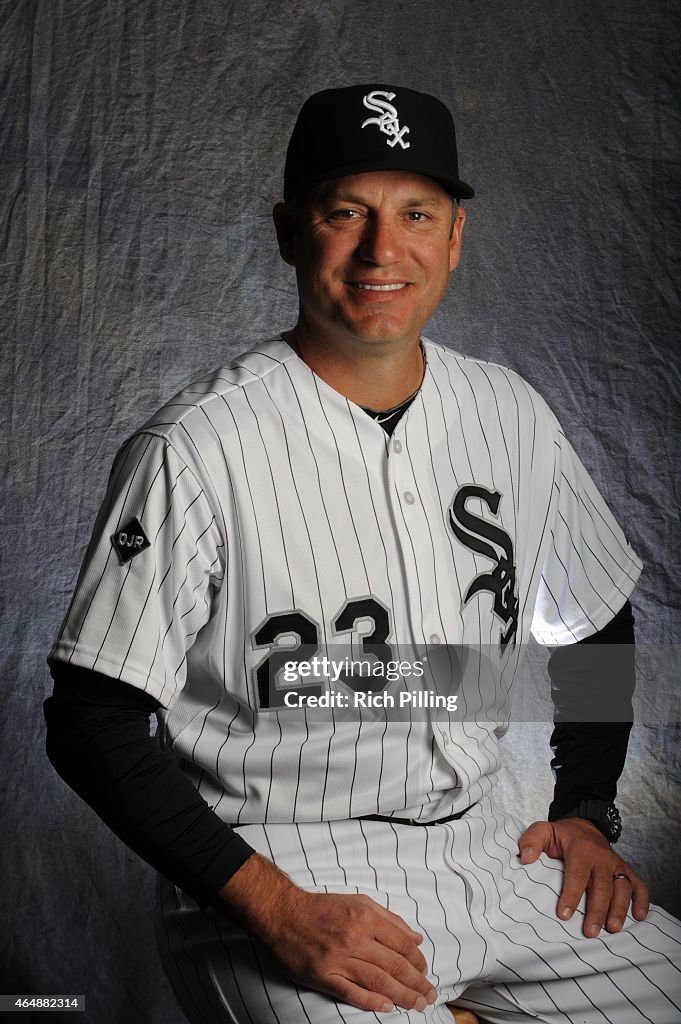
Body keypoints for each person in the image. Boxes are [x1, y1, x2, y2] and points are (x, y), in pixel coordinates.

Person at [45, 84, 681, 1024]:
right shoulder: (195, 447)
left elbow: (596, 620)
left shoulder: (509, 412)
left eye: (415, 214)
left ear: (454, 236)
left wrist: (586, 809)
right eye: (346, 213)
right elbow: (91, 722)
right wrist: (272, 907)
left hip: (490, 849)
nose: (384, 251)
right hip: (278, 871)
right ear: (289, 232)